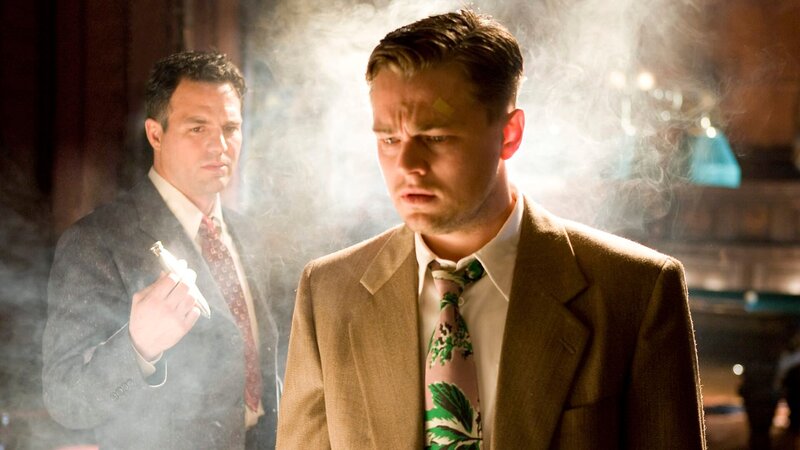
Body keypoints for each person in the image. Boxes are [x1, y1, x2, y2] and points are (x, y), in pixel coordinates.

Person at [277, 9, 705, 449]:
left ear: (509, 134)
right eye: (389, 139)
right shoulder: (329, 293)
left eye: (436, 137)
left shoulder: (634, 292)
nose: (407, 165)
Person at [42, 51, 279, 449]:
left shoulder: (250, 236)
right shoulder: (97, 240)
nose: (220, 145)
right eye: (198, 128)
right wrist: (138, 347)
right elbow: (67, 401)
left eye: (231, 127)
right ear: (155, 134)